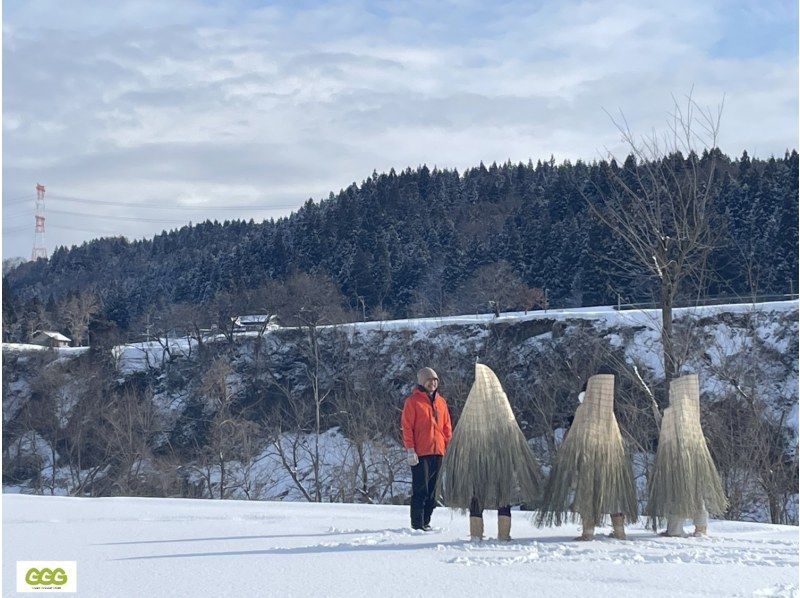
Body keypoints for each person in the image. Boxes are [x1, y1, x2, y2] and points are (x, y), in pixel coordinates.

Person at [436, 363, 541, 541]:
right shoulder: (492, 407)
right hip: (487, 458)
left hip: (492, 458)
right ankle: (497, 534)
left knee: (490, 494)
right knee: (490, 494)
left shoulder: (481, 410)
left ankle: (487, 534)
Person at [536, 373, 638, 540]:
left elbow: (573, 437)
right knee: (613, 493)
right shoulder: (608, 414)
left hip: (588, 459)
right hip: (611, 459)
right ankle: (619, 531)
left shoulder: (583, 412)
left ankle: (588, 532)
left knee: (587, 493)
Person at [647, 374, 727, 536]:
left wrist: (658, 416)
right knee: (696, 491)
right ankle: (701, 527)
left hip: (677, 459)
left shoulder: (673, 414)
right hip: (697, 458)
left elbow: (667, 434)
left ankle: (675, 529)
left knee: (678, 491)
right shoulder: (692, 414)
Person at [401, 367, 452, 531]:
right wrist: (410, 449)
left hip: (438, 451)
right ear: (423, 382)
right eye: (430, 380)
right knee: (420, 489)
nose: (433, 383)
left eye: (435, 380)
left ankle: (426, 521)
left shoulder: (441, 402)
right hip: (420, 453)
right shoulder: (413, 401)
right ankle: (417, 524)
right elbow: (407, 427)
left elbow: (446, 427)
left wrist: (448, 446)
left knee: (433, 491)